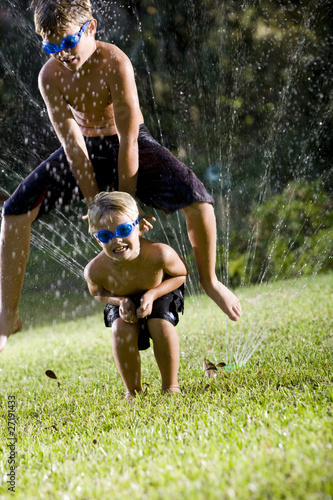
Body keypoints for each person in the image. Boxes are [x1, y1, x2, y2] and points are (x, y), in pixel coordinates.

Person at [0, 0, 241, 352]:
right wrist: (94, 204)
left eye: (67, 43)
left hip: (129, 142)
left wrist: (126, 205)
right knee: (13, 211)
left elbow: (129, 138)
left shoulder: (115, 62)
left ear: (91, 29)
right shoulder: (49, 76)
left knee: (197, 196)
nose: (61, 55)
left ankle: (210, 281)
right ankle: (7, 315)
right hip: (85, 149)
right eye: (50, 47)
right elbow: (73, 146)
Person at [84, 191, 187, 398]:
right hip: (122, 298)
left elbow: (181, 275)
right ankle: (133, 391)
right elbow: (98, 294)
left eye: (123, 229)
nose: (117, 240)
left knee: (160, 324)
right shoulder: (95, 270)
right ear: (98, 240)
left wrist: (153, 294)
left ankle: (171, 386)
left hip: (159, 291)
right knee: (120, 329)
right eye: (105, 235)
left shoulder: (160, 253)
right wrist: (120, 301)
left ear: (140, 227)